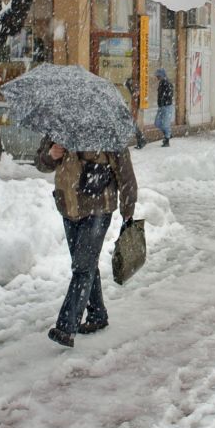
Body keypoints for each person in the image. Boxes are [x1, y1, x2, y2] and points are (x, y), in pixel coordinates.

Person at [36, 136, 137, 348]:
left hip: (98, 208)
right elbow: (41, 163)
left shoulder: (107, 131)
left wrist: (128, 212)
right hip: (68, 206)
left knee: (83, 266)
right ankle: (97, 314)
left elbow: (125, 174)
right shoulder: (59, 127)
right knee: (85, 264)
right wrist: (51, 155)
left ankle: (66, 326)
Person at [124, 77, 147, 149]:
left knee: (133, 125)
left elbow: (135, 96)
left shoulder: (133, 89)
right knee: (133, 125)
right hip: (132, 108)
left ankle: (141, 140)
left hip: (133, 109)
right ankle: (141, 140)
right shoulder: (131, 89)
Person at [154, 67, 174, 147]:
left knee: (165, 124)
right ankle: (168, 133)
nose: (157, 77)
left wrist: (164, 101)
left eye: (158, 76)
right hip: (161, 107)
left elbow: (169, 95)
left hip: (167, 107)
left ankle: (167, 140)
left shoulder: (167, 83)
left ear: (162, 75)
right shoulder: (161, 83)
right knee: (157, 123)